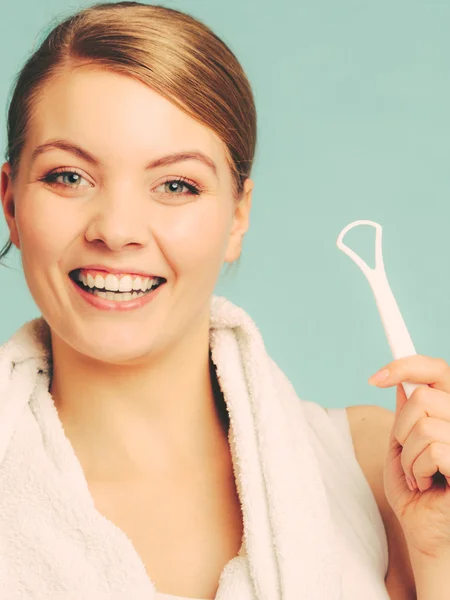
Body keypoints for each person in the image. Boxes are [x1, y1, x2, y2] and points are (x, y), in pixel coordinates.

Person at [2, 2, 450, 599]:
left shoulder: (380, 471)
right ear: (10, 201)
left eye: (175, 185)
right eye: (69, 176)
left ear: (238, 215)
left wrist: (440, 553)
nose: (115, 229)